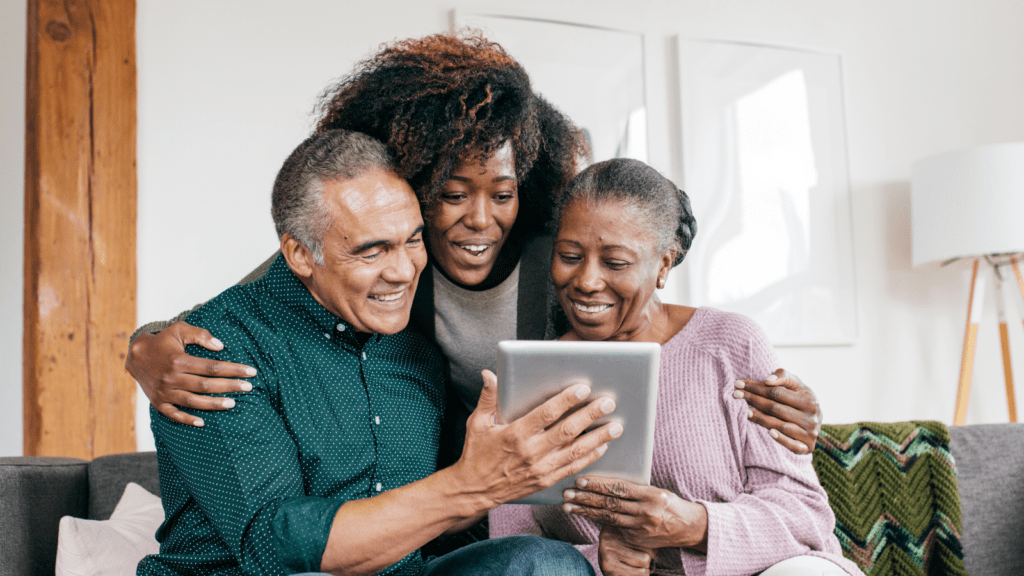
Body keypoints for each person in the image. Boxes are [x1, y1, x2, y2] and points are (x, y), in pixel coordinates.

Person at [126, 33, 822, 460]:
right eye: (452, 194)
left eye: (501, 191)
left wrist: (758, 400)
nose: (479, 220)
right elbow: (243, 305)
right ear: (414, 187)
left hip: (539, 483)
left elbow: (651, 321)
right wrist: (147, 345)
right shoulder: (381, 254)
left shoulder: (558, 253)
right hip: (431, 473)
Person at [137, 129, 623, 576]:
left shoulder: (415, 351)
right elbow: (275, 548)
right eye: (372, 251)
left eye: (412, 240)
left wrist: (507, 478)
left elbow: (425, 519)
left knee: (544, 566)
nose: (403, 271)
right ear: (300, 254)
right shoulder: (213, 350)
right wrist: (469, 487)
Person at [491, 159, 863, 576]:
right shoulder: (530, 375)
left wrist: (692, 524)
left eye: (615, 263)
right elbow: (511, 548)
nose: (587, 281)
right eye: (570, 256)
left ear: (664, 265)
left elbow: (805, 515)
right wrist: (598, 560)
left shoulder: (731, 344)